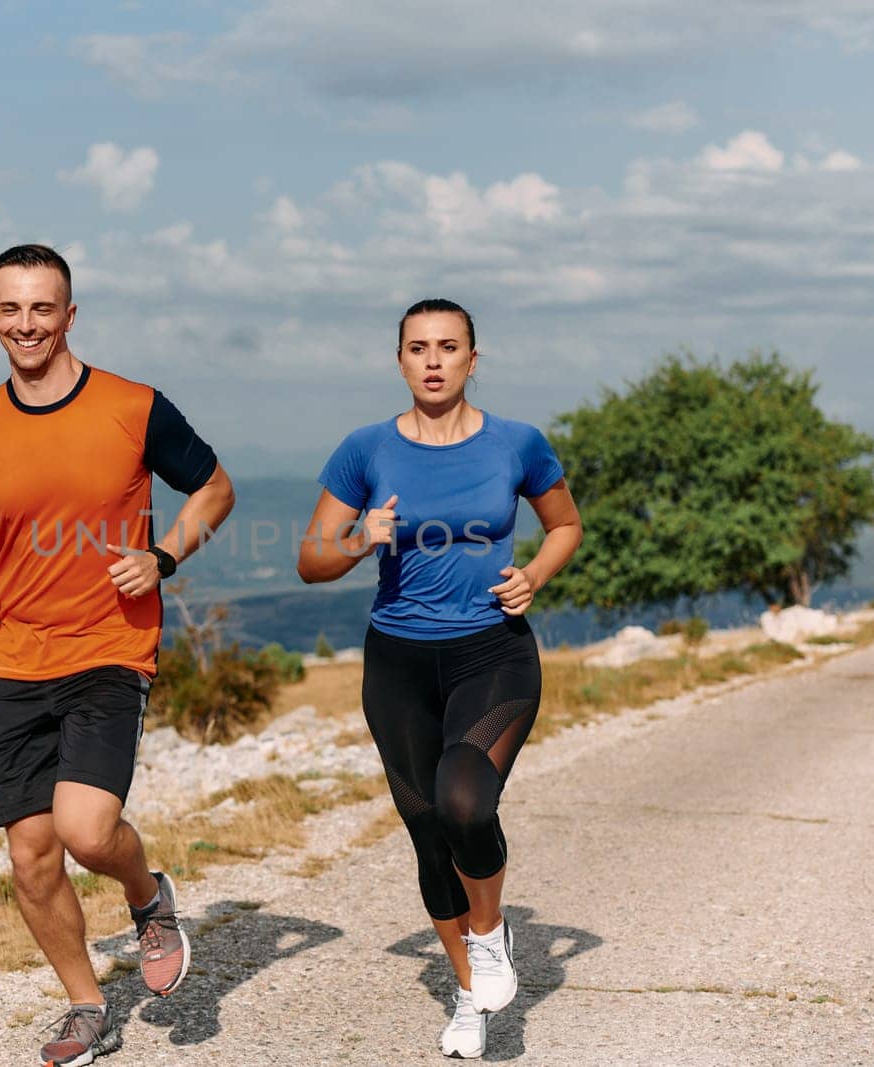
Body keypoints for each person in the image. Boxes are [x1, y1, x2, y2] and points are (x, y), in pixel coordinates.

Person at [0, 244, 236, 1067]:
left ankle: (145, 894)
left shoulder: (133, 406)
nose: (27, 324)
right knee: (29, 853)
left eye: (42, 308)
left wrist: (163, 557)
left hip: (109, 645)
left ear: (69, 314)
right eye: (10, 310)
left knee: (86, 831)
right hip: (17, 659)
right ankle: (86, 1003)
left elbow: (216, 487)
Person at [296, 298, 581, 1059]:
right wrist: (361, 540)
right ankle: (467, 994)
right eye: (417, 347)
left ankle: (489, 935)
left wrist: (536, 576)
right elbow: (311, 557)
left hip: (493, 652)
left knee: (465, 797)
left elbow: (566, 525)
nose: (432, 360)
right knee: (429, 836)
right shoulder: (366, 450)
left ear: (472, 359)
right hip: (398, 664)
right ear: (399, 361)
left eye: (448, 347)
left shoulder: (518, 443)